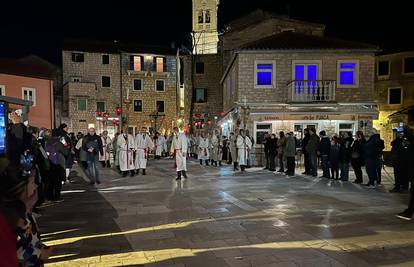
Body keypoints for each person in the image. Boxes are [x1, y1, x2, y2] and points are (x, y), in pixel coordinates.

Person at [395, 127, 414, 220]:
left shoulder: (408, 141)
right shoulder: (406, 141)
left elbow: (406, 154)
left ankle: (409, 212)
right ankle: (409, 211)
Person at [45, 129, 69, 201]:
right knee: (57, 181)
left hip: (48, 164)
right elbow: (66, 152)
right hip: (58, 164)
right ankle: (57, 196)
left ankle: (49, 197)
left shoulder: (45, 142)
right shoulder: (58, 142)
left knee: (50, 181)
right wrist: (65, 145)